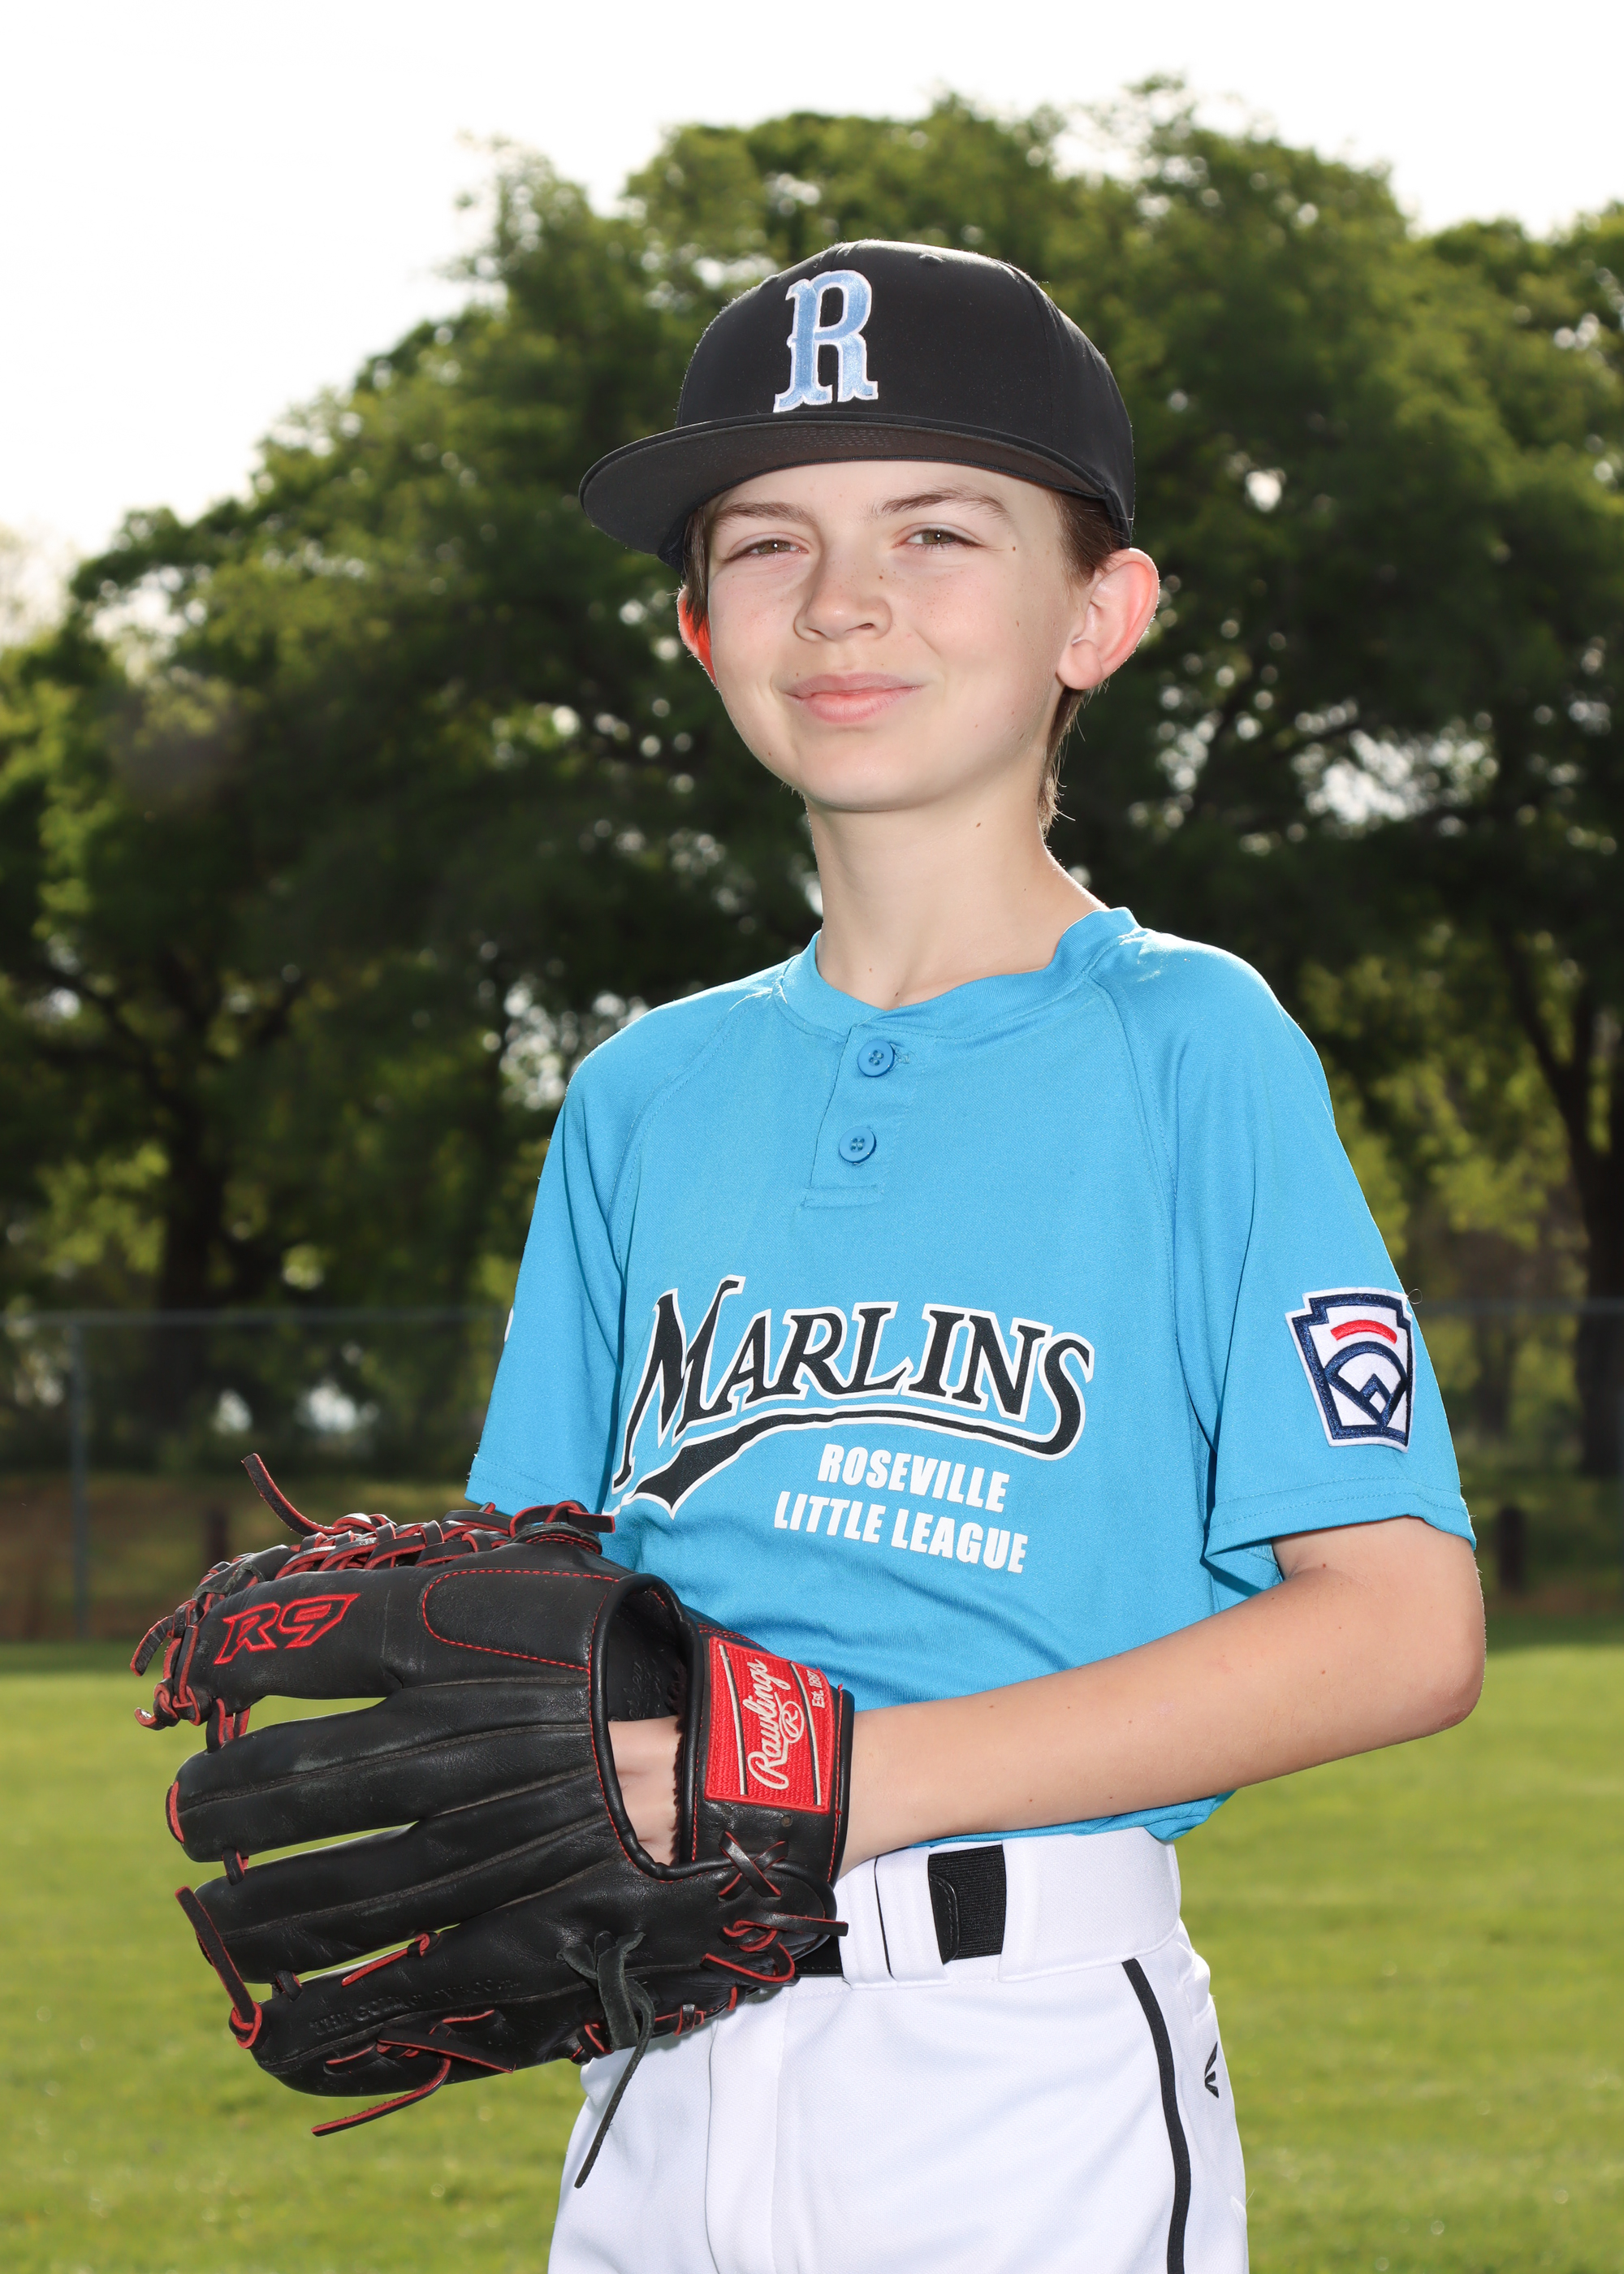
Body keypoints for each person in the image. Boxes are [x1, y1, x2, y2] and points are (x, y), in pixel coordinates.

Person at [468, 241, 1484, 2274]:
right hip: (666, 2053)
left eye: (935, 531)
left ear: (1096, 613)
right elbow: (530, 1596)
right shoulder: (645, 1093)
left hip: (1016, 2059)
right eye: (767, 541)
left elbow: (1399, 1625)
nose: (842, 598)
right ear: (698, 626)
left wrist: (828, 1780)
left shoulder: (1192, 1044)